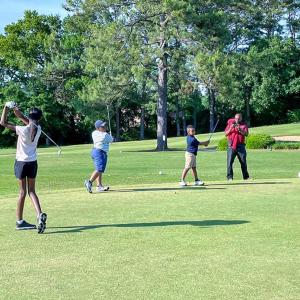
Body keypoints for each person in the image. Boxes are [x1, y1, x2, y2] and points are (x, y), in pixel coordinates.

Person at [0, 102, 47, 233]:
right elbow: (23, 117)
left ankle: (20, 222)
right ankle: (39, 214)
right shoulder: (39, 128)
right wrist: (16, 109)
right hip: (32, 163)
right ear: (39, 118)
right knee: (32, 191)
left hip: (21, 163)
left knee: (22, 193)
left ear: (29, 116)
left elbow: (3, 123)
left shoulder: (23, 129)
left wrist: (6, 107)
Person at [84, 120, 113, 193]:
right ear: (98, 128)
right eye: (102, 126)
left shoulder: (95, 133)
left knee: (99, 169)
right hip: (100, 152)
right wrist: (109, 135)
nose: (105, 127)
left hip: (96, 151)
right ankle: (89, 182)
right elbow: (111, 139)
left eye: (105, 126)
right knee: (99, 169)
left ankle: (99, 186)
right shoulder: (103, 134)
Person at [225, 113, 250, 181]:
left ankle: (246, 177)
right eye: (236, 118)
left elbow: (246, 134)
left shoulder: (244, 125)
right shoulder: (230, 124)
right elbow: (226, 133)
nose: (237, 120)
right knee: (229, 162)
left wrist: (240, 130)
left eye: (238, 118)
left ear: (241, 118)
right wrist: (231, 128)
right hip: (231, 145)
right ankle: (230, 177)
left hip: (240, 146)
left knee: (243, 162)